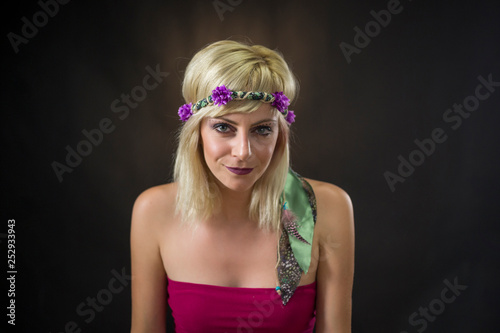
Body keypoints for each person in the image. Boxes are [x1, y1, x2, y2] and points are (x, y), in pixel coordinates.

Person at [130, 40, 355, 333]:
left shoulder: (329, 207)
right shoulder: (154, 211)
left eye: (262, 129)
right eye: (224, 127)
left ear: (280, 134)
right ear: (195, 131)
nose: (243, 151)